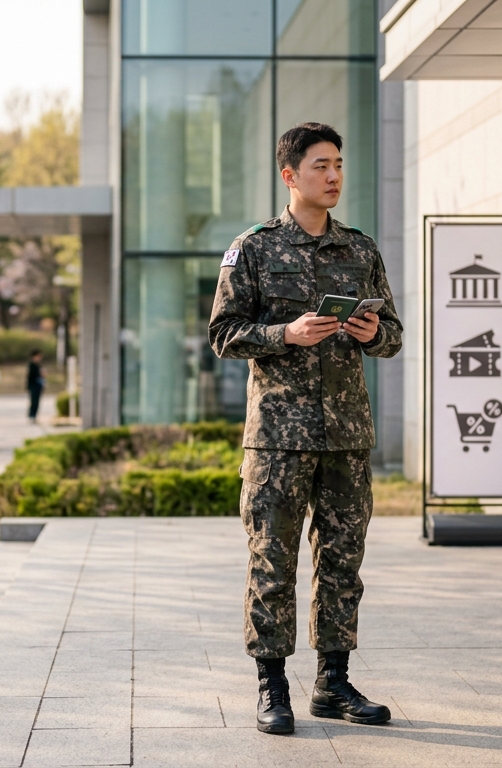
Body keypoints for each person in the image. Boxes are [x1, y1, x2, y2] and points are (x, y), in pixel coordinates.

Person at [208, 122, 403, 735]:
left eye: (340, 164)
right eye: (321, 165)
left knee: (343, 561)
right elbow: (222, 334)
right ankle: (271, 687)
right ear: (290, 174)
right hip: (278, 438)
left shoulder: (360, 250)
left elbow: (393, 334)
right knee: (273, 560)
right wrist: (283, 334)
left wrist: (376, 334)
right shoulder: (255, 248)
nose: (335, 175)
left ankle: (332, 684)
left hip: (345, 436)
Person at [26, 349, 46, 423]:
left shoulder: (38, 365)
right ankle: (32, 416)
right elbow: (29, 377)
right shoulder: (31, 365)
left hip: (38, 386)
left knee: (37, 402)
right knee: (33, 402)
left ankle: (34, 416)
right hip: (33, 386)